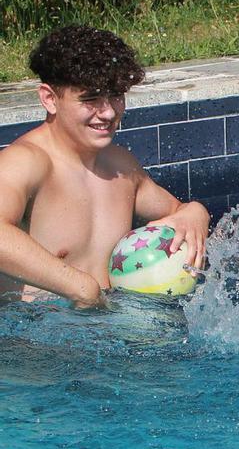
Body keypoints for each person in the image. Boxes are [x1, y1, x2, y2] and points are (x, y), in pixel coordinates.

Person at [0, 26, 210, 308]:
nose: (109, 112)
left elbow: (177, 212)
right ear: (50, 99)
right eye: (90, 99)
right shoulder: (26, 162)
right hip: (35, 342)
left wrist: (196, 212)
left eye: (116, 96)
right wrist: (81, 287)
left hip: (109, 329)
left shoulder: (120, 167)